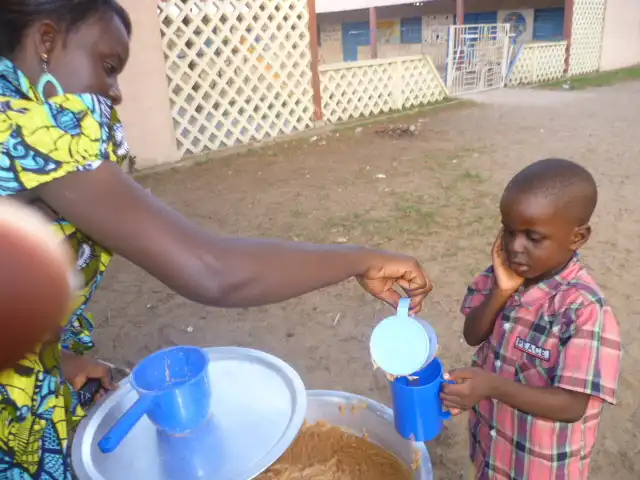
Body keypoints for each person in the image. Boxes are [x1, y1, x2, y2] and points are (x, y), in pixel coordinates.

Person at [0, 1, 432, 478]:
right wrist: (360, 260)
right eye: (107, 67)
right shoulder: (26, 127)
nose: (115, 92)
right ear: (45, 42)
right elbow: (211, 270)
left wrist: (54, 359)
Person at [441, 158, 621, 479]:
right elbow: (473, 334)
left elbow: (571, 405)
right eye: (508, 231)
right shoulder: (499, 275)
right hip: (492, 450)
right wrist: (500, 291)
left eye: (533, 237)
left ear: (577, 237)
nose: (514, 247)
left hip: (540, 467)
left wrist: (492, 386)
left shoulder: (584, 309)